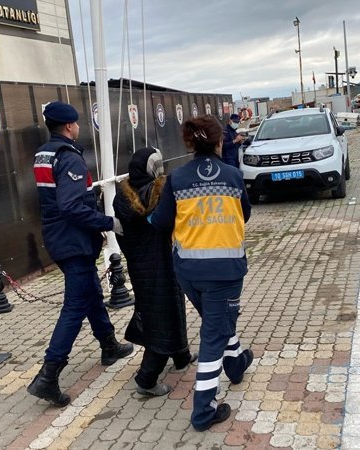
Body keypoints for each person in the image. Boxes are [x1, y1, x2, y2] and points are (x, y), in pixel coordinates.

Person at [149, 115, 254, 432]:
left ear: (190, 143)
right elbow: (245, 214)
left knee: (216, 322)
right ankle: (204, 411)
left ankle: (236, 364)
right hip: (225, 271)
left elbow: (160, 221)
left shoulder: (177, 178)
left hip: (189, 272)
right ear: (220, 142)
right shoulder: (233, 176)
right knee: (213, 336)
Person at [27, 101, 133, 407]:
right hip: (73, 241)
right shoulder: (69, 158)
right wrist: (108, 223)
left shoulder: (44, 154)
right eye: (76, 123)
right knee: (75, 306)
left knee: (90, 293)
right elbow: (71, 206)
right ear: (69, 126)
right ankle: (48, 376)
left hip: (58, 238)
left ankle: (109, 345)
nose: (78, 127)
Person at [113, 147, 197, 397]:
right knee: (164, 317)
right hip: (162, 261)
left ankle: (181, 355)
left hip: (140, 266)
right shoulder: (161, 193)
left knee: (162, 309)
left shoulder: (121, 196)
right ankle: (147, 378)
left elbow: (123, 236)